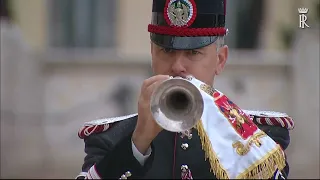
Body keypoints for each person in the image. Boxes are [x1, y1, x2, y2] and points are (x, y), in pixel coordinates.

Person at [75, 0, 295, 179]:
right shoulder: (111, 137)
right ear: (152, 54)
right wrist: (137, 142)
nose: (178, 66)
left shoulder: (259, 137)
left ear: (220, 59)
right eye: (166, 50)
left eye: (193, 53)